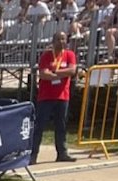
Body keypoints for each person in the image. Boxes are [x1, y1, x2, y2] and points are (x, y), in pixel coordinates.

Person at [31, 31, 83, 163]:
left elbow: (72, 70)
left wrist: (54, 72)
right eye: (58, 39)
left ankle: (62, 153)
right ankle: (32, 154)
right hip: (46, 96)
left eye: (63, 39)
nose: (61, 41)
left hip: (62, 96)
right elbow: (43, 74)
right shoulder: (46, 55)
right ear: (53, 41)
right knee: (39, 126)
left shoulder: (70, 55)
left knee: (61, 125)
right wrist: (61, 74)